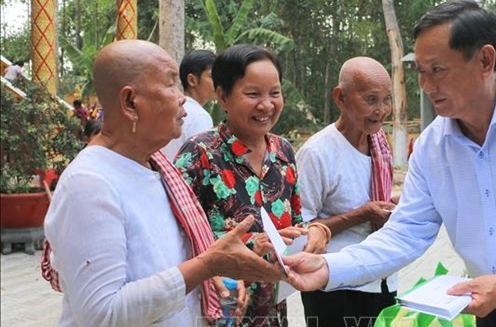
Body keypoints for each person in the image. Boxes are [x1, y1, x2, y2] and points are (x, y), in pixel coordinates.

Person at [284, 0, 496, 327]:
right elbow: (404, 233)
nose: (427, 86)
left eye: (438, 70)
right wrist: (330, 268)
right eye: (421, 71)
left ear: (485, 60)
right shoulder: (431, 148)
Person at [43, 39, 285, 327]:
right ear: (130, 102)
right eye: (171, 85)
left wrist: (221, 270)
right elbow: (101, 314)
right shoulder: (90, 183)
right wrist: (208, 265)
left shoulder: (155, 166)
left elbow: (170, 261)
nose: (182, 98)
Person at [175, 44, 321, 327]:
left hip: (273, 312)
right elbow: (177, 239)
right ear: (222, 96)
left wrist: (311, 236)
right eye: (253, 94)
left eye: (274, 93)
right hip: (219, 311)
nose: (266, 105)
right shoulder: (199, 153)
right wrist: (254, 242)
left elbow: (297, 219)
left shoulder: (283, 151)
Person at [296, 57, 397, 327]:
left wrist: (391, 205)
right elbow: (301, 232)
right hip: (335, 287)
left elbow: (378, 198)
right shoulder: (317, 153)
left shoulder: (378, 143)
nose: (382, 110)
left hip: (382, 279)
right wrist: (361, 214)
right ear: (341, 98)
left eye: (387, 100)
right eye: (371, 99)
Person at [162, 49, 217, 161]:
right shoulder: (199, 116)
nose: (219, 82)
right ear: (192, 80)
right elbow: (203, 162)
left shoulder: (173, 110)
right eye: (212, 76)